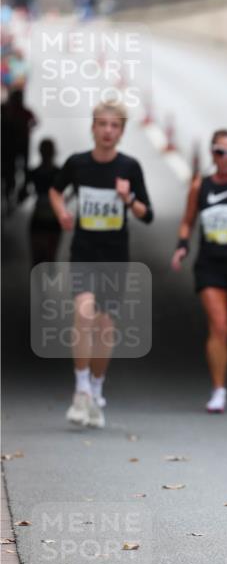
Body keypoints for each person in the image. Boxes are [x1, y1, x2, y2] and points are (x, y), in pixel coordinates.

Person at [49, 98, 153, 428]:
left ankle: (96, 389)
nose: (108, 131)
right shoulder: (77, 163)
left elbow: (146, 214)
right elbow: (55, 190)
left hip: (114, 256)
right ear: (93, 128)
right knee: (83, 311)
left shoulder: (129, 167)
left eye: (114, 126)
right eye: (102, 124)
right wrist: (62, 212)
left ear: (121, 132)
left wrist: (129, 199)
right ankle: (80, 389)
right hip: (83, 251)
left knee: (106, 328)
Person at [172, 130, 227, 413]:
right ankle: (218, 390)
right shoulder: (201, 186)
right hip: (210, 264)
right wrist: (182, 246)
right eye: (220, 152)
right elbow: (187, 221)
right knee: (218, 327)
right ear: (212, 153)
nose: (225, 159)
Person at [19, 138, 62, 266]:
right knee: (47, 260)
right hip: (50, 220)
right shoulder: (58, 173)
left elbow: (21, 196)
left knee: (41, 260)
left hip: (42, 220)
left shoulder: (34, 173)